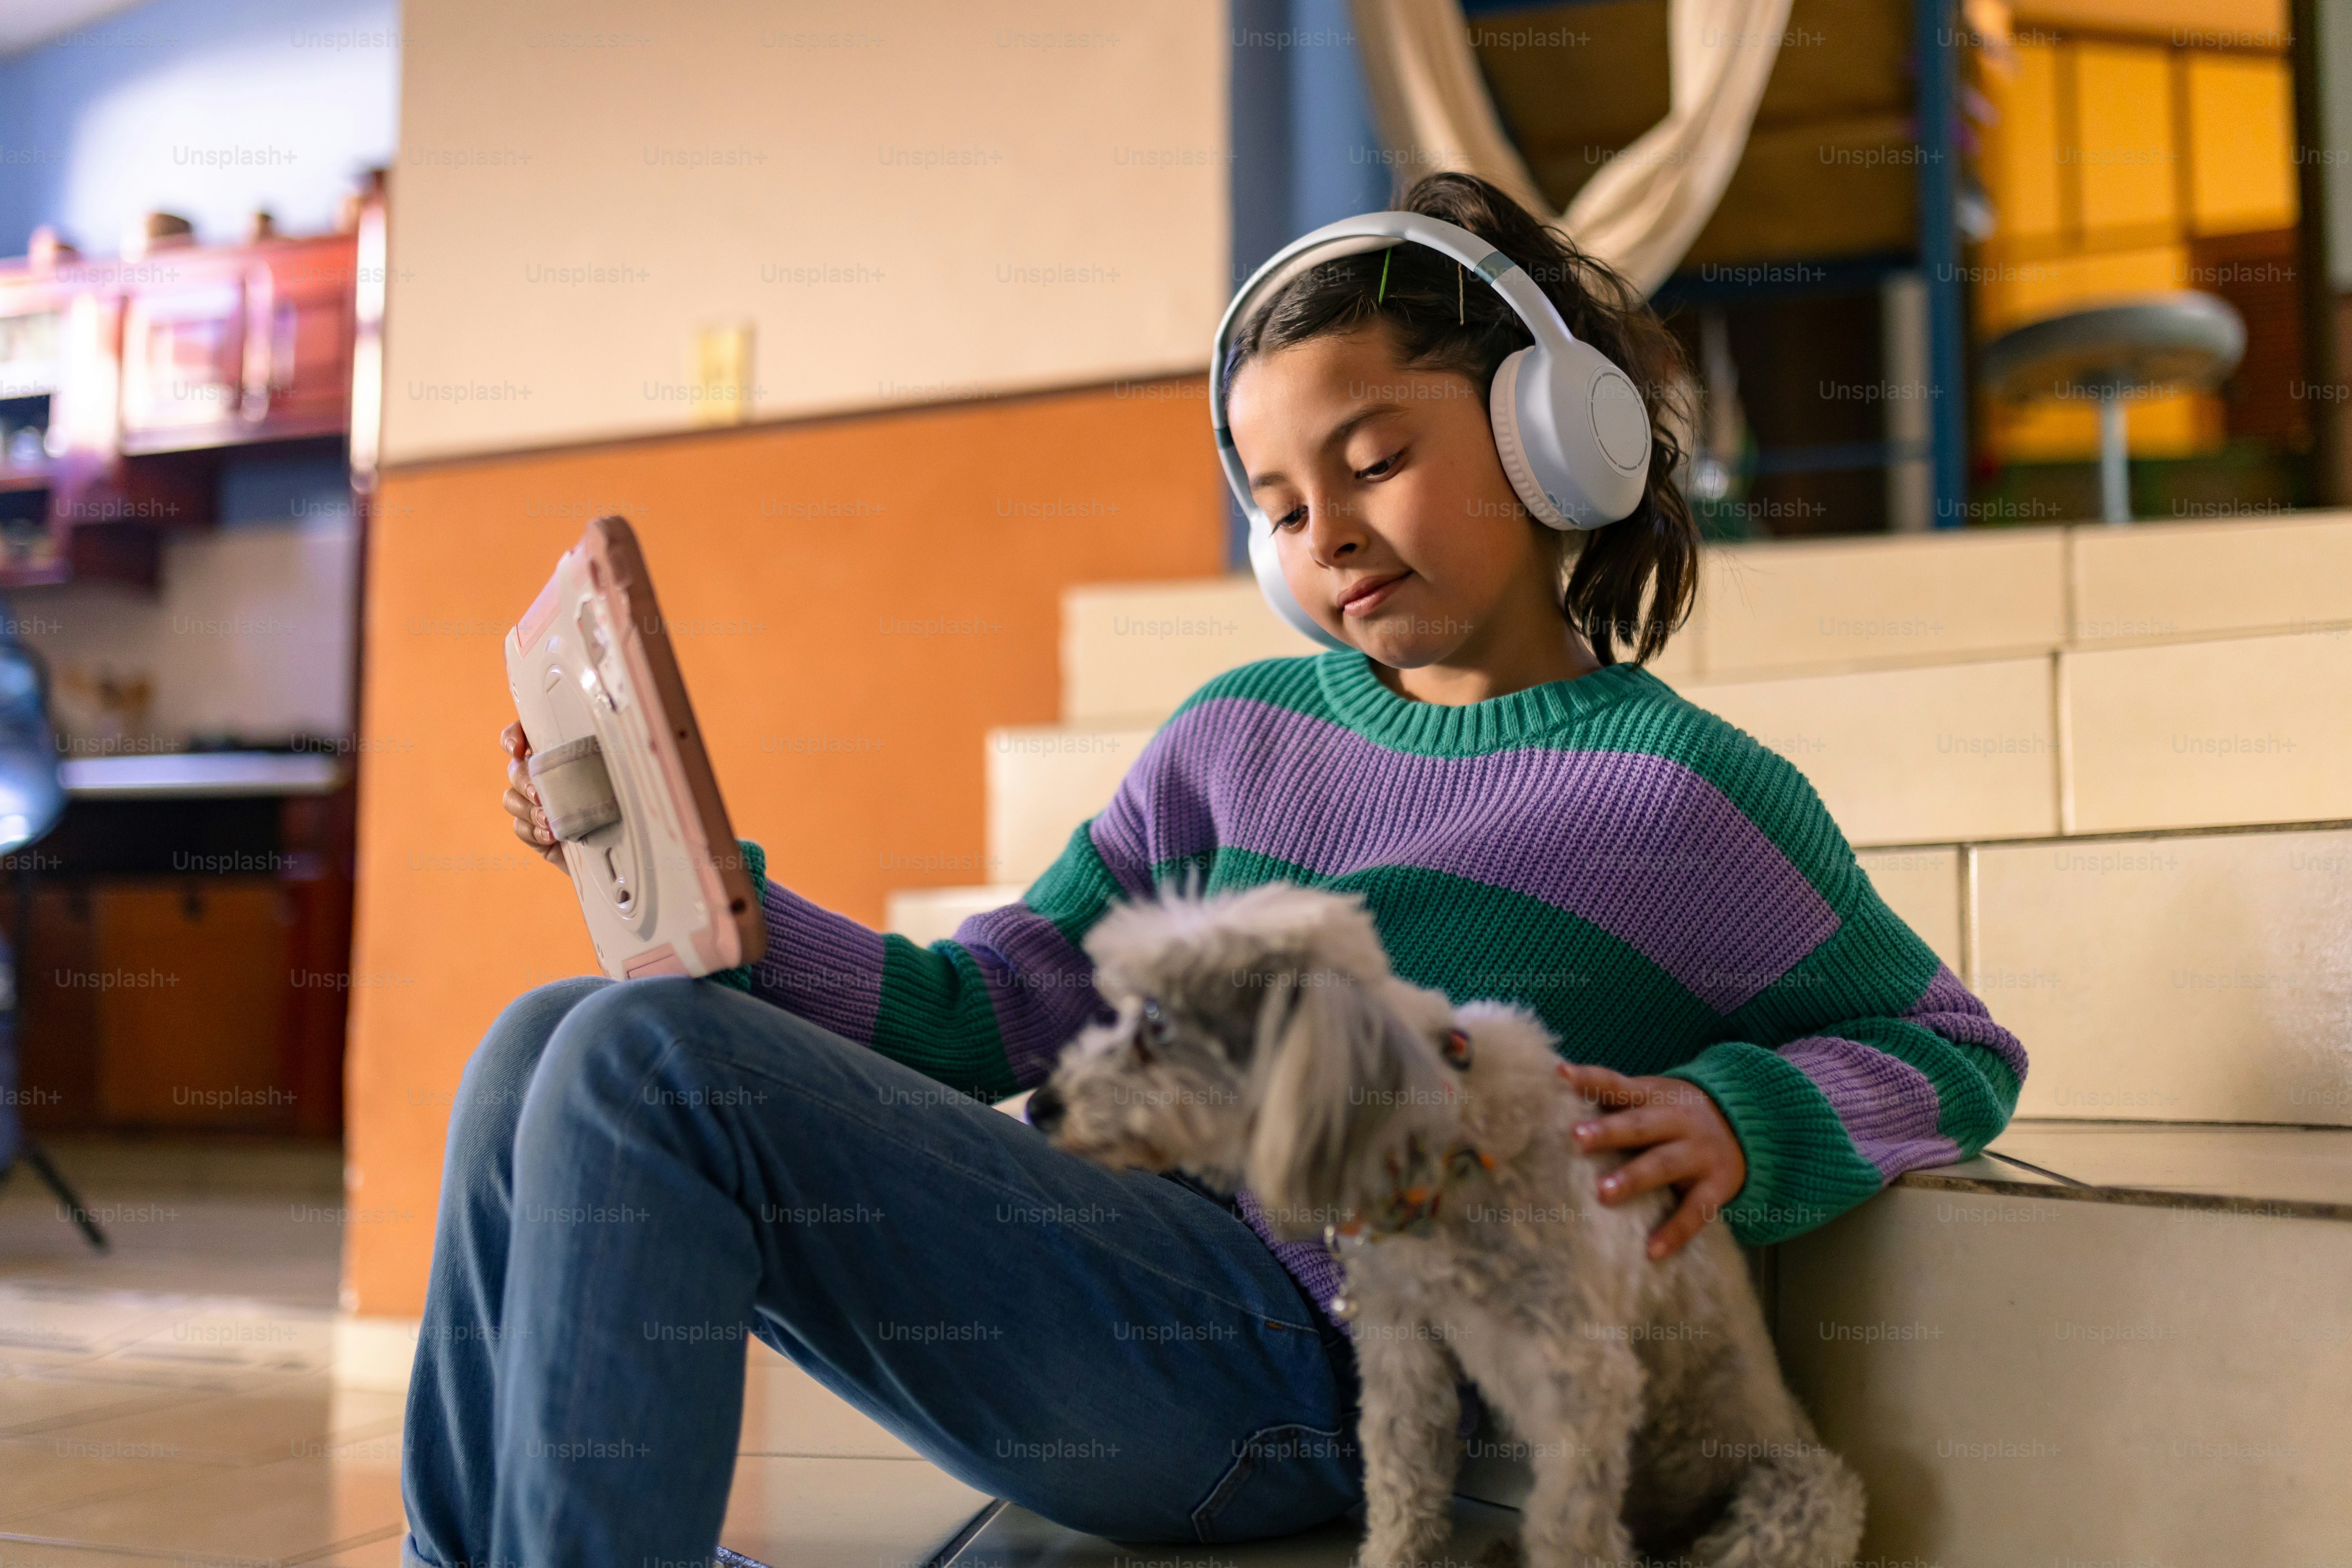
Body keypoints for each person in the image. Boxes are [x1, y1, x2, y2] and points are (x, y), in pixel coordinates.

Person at [399, 172, 2026, 1568]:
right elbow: (985, 1013)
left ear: (1557, 434)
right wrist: (716, 904)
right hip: (1117, 1289)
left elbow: (1951, 1048)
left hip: (1305, 1376)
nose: (1327, 528)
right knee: (547, 1037)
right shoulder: (1231, 735)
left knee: (635, 1059)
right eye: (1279, 502)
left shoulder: (1687, 797)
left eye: (1375, 459)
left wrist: (1745, 1117)